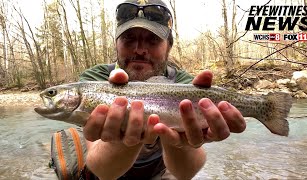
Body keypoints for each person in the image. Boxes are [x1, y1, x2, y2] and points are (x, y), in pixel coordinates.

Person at [79, 0, 246, 179]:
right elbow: (103, 171)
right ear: (116, 44)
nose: (140, 49)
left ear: (168, 47)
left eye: (153, 40)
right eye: (129, 38)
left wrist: (180, 142)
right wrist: (127, 138)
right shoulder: (95, 83)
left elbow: (184, 173)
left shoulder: (186, 87)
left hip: (161, 169)